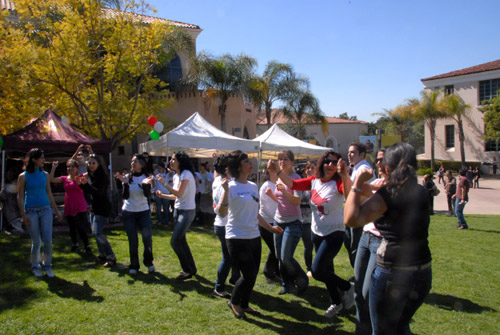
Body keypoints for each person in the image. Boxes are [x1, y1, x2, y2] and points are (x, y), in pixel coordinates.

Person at [344, 142, 432, 335]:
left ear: (389, 166)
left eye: (382, 161)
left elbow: (350, 219)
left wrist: (358, 183)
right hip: (423, 272)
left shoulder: (388, 194)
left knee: (383, 331)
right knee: (400, 326)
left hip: (394, 275)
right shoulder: (420, 191)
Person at [268, 150, 355, 318]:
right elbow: (293, 184)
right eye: (327, 161)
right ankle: (336, 303)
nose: (330, 165)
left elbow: (349, 194)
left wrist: (344, 174)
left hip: (334, 233)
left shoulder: (337, 183)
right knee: (327, 270)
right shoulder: (314, 181)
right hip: (317, 233)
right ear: (322, 163)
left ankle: (347, 287)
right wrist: (277, 171)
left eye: (334, 162)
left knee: (317, 270)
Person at [218, 150, 283, 319]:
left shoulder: (253, 186)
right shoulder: (229, 186)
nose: (250, 164)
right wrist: (225, 192)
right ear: (238, 166)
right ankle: (234, 302)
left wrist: (271, 228)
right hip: (236, 237)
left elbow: (256, 213)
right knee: (249, 274)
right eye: (247, 161)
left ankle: (245, 304)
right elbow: (221, 213)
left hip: (254, 236)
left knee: (252, 275)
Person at [353, 149, 386, 335]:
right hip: (366, 237)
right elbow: (357, 197)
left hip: (380, 242)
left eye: (382, 160)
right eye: (378, 159)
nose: (378, 163)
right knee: (358, 290)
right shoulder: (375, 182)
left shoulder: (396, 185)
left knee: (367, 293)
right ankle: (361, 330)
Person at [17, 148, 62, 277]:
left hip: (45, 210)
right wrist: (23, 214)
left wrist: (56, 210)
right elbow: (19, 196)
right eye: (41, 158)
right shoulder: (23, 176)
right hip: (31, 210)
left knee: (48, 240)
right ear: (34, 159)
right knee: (36, 241)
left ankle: (47, 265)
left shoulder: (45, 175)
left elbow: (49, 192)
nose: (43, 160)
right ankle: (35, 266)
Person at [269, 150, 308, 295]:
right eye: (280, 159)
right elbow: (280, 200)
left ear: (292, 162)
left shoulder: (295, 178)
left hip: (293, 222)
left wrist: (285, 192)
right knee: (280, 256)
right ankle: (287, 285)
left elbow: (297, 201)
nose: (282, 162)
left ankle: (302, 279)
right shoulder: (279, 178)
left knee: (286, 257)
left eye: (286, 159)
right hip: (278, 220)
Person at [156, 151, 197, 281]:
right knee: (181, 241)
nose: (171, 161)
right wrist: (162, 195)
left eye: (174, 159)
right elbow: (175, 196)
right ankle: (191, 269)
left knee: (175, 241)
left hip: (187, 211)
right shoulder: (176, 176)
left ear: (181, 161)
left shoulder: (186, 174)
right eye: (171, 159)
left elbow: (179, 193)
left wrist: (163, 184)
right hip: (178, 210)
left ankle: (187, 270)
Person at [115, 154, 155, 275]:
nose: (133, 163)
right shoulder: (127, 177)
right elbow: (125, 196)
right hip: (129, 212)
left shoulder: (148, 177)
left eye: (135, 161)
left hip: (143, 211)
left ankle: (148, 262)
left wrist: (145, 185)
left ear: (142, 164)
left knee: (147, 238)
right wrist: (125, 184)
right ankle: (134, 265)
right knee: (133, 240)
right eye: (132, 161)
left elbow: (148, 195)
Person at [211, 154, 239, 297]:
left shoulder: (217, 180)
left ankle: (235, 278)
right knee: (227, 258)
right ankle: (219, 287)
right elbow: (222, 211)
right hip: (225, 225)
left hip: (220, 224)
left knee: (232, 256)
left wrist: (215, 159)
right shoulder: (227, 184)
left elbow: (217, 172)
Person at [81, 154, 116, 267]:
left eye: (93, 163)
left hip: (102, 207)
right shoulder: (89, 175)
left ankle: (110, 256)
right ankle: (102, 254)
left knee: (98, 232)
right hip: (93, 207)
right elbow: (87, 191)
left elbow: (99, 192)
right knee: (95, 233)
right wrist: (82, 184)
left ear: (98, 164)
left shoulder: (102, 176)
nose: (91, 165)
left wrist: (86, 185)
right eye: (89, 163)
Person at [50, 159, 92, 254]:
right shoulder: (64, 178)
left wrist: (88, 159)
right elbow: (51, 179)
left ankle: (86, 245)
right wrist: (53, 168)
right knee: (72, 227)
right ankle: (75, 244)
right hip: (69, 205)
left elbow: (91, 171)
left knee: (81, 227)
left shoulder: (80, 177)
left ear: (77, 169)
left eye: (72, 166)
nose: (70, 168)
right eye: (69, 167)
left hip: (80, 206)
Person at [346, 143, 374, 268]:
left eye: (353, 152)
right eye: (349, 152)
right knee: (352, 245)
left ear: (362, 154)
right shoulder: (356, 168)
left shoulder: (363, 168)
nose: (349, 155)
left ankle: (360, 275)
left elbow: (363, 193)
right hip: (356, 211)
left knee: (356, 247)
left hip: (360, 213)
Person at [258, 169, 280, 283]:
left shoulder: (277, 184)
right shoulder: (265, 186)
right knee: (275, 248)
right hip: (266, 222)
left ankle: (275, 271)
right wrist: (274, 216)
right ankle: (269, 271)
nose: (276, 172)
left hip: (276, 220)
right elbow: (263, 207)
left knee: (277, 249)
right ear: (269, 173)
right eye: (274, 171)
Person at [300, 160, 316, 278]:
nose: (310, 170)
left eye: (312, 167)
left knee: (318, 245)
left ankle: (319, 267)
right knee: (308, 246)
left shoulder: (319, 184)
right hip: (305, 220)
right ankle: (309, 267)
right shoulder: (302, 185)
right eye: (308, 168)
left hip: (318, 220)